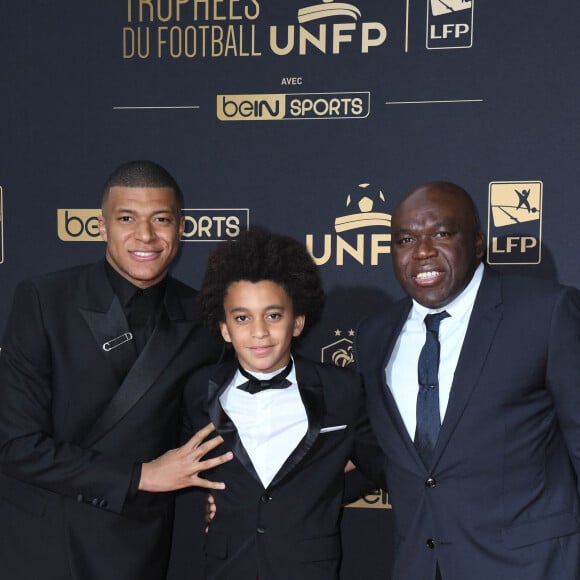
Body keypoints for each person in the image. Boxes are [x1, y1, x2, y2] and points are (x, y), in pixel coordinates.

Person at [0, 160, 233, 580]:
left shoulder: (206, 319)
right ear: (102, 225)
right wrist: (140, 475)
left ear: (182, 227)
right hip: (47, 540)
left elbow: (208, 431)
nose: (145, 236)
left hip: (141, 544)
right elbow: (16, 444)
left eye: (160, 219)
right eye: (127, 218)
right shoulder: (44, 300)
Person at [355, 181, 580, 580]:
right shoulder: (375, 334)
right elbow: (387, 457)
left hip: (531, 567)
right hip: (419, 566)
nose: (422, 251)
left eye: (441, 233)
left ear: (478, 244)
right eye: (406, 239)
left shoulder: (544, 313)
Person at [180, 228, 384, 580]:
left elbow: (379, 464)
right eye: (242, 318)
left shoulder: (341, 390)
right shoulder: (200, 389)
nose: (259, 332)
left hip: (307, 566)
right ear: (225, 329)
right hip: (226, 567)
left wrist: (321, 494)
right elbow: (187, 470)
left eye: (273, 315)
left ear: (298, 322)